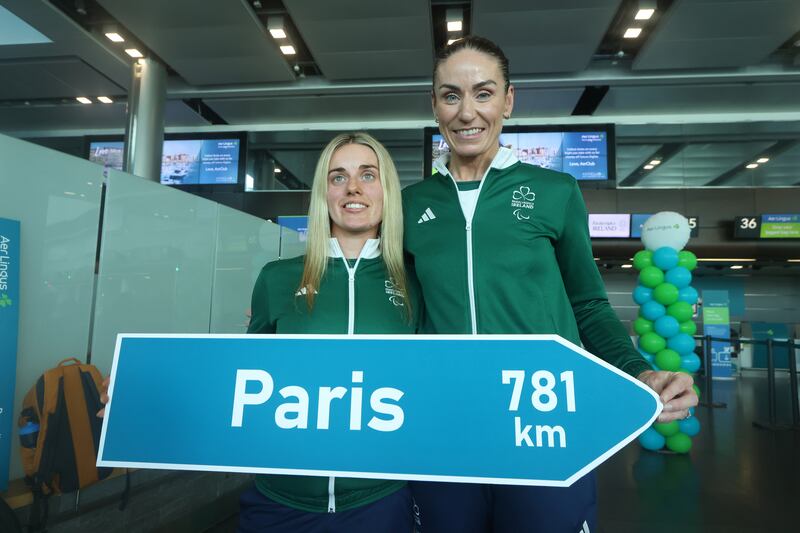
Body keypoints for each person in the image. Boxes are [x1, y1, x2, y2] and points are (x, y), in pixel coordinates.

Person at [401, 36, 698, 533]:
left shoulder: (555, 192)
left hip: (544, 423)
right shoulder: (411, 205)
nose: (467, 112)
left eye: (483, 93)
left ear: (508, 101)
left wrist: (639, 371)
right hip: (447, 422)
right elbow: (403, 314)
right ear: (435, 105)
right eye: (451, 95)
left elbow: (587, 304)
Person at [239, 132, 420, 532]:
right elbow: (242, 378)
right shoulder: (277, 278)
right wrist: (144, 389)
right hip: (279, 502)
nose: (353, 187)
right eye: (338, 177)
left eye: (368, 175)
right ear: (324, 193)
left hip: (380, 501)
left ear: (387, 191)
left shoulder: (416, 283)